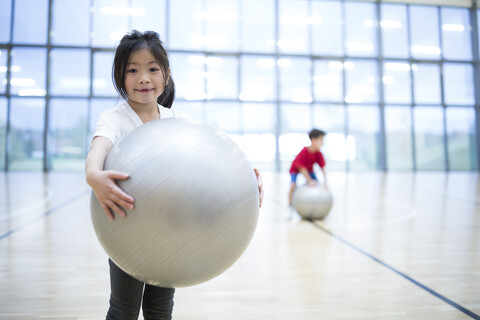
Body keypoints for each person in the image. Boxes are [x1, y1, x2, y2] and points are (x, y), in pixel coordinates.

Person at [85, 30, 264, 320]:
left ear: (166, 76)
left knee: (160, 309)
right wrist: (93, 174)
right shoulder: (114, 119)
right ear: (120, 77)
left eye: (152, 69)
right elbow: (98, 148)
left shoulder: (177, 121)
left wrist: (247, 175)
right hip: (126, 229)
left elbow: (213, 155)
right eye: (132, 70)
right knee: (124, 310)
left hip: (172, 231)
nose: (143, 77)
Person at [288, 129, 327, 206]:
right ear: (313, 140)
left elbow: (322, 168)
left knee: (316, 182)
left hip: (309, 169)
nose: (322, 143)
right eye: (320, 140)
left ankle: (315, 201)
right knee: (293, 185)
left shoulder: (318, 153)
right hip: (296, 169)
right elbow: (302, 169)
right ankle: (290, 201)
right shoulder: (304, 152)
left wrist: (326, 182)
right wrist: (309, 180)